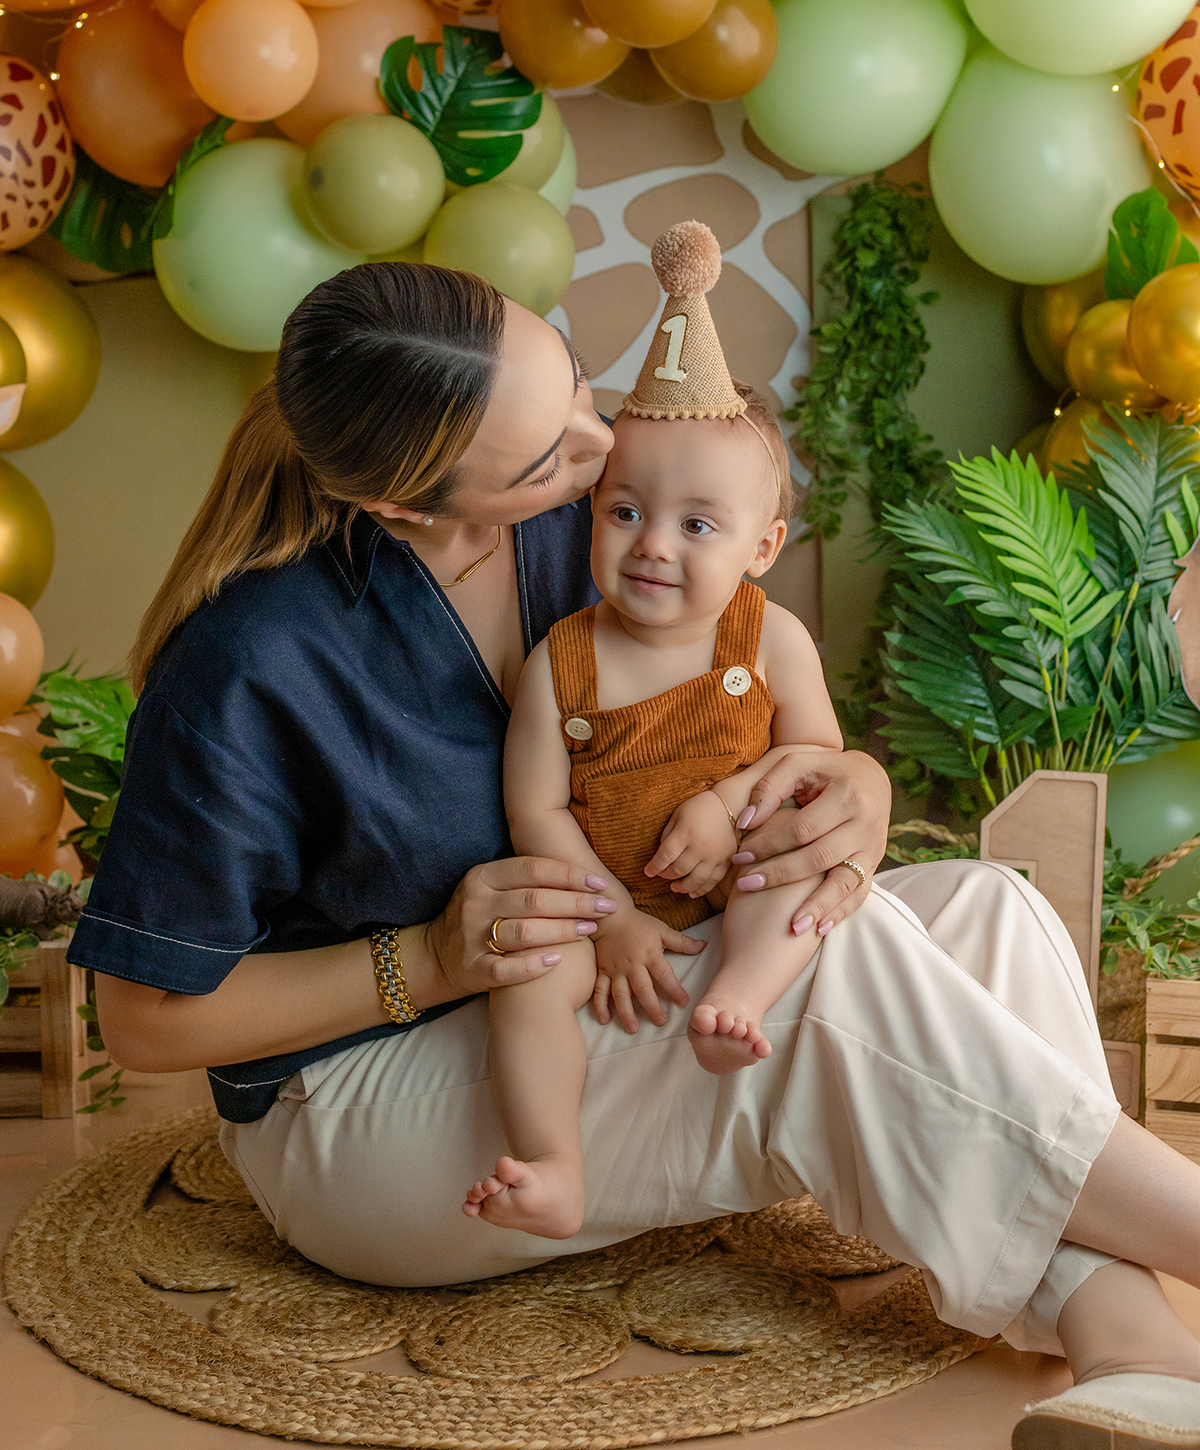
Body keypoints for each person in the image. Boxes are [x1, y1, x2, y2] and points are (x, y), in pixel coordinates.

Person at [70, 260, 1199, 1450]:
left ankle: (1140, 1355)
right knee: (836, 972)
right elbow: (144, 1022)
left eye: (574, 386)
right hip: (358, 1116)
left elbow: (768, 702)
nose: (599, 445)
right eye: (545, 458)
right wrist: (431, 958)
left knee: (990, 911)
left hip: (609, 981)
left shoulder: (593, 521)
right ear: (404, 504)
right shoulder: (248, 662)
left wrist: (854, 789)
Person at [465, 223, 844, 1238]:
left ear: (763, 547)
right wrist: (608, 919)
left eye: (697, 525)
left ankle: (741, 999)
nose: (653, 546)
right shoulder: (563, 661)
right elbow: (536, 810)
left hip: (736, 877)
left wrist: (728, 803)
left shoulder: (771, 639)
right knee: (529, 969)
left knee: (788, 861)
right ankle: (555, 1162)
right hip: (608, 902)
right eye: (625, 511)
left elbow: (818, 761)